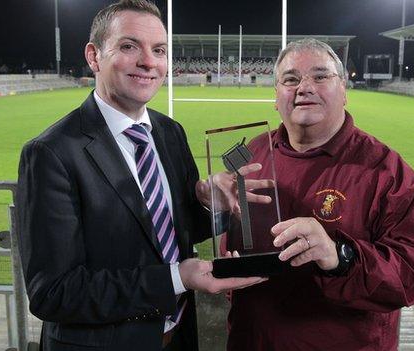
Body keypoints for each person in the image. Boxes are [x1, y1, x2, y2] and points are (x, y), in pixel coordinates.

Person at [16, 2, 264, 350]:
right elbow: (53, 293)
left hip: (178, 337)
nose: (149, 62)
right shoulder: (51, 153)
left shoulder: (169, 132)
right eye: (129, 46)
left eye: (159, 50)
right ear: (94, 56)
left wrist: (212, 207)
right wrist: (177, 277)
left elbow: (174, 231)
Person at [218, 38, 414, 350]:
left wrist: (340, 255)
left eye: (320, 76)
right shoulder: (251, 153)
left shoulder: (385, 170)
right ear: (276, 96)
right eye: (290, 79)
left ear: (344, 91)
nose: (304, 87)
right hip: (251, 340)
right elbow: (232, 239)